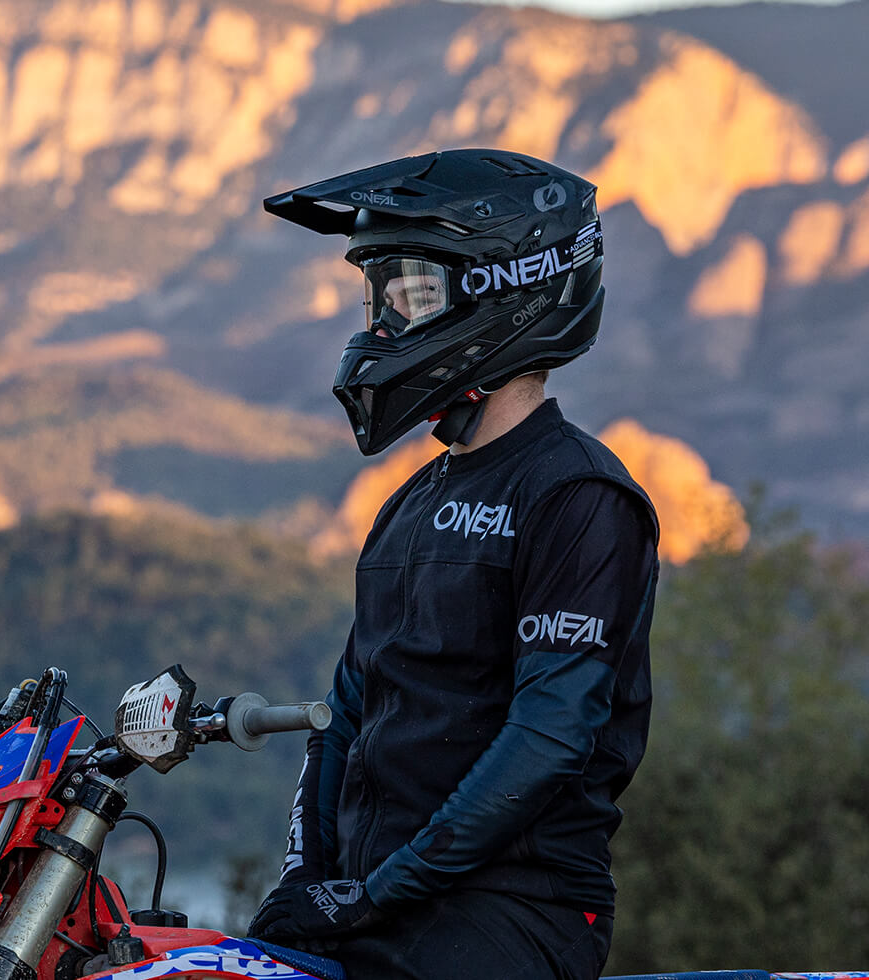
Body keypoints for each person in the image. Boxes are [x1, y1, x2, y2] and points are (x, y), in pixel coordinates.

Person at [247, 149, 661, 980]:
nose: (385, 323)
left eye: (414, 293)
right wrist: (307, 883)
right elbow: (345, 713)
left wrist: (378, 894)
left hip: (512, 912)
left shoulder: (579, 495)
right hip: (382, 903)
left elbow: (546, 740)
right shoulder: (409, 504)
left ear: (505, 290)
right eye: (380, 296)